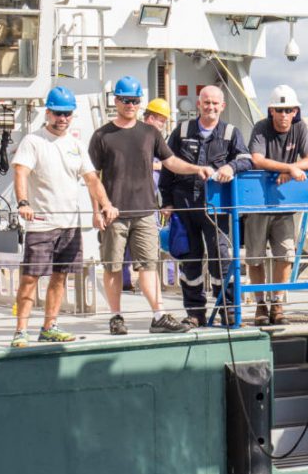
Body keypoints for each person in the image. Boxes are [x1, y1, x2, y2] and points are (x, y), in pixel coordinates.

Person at [88, 75, 213, 335]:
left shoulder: (150, 133)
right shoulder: (102, 136)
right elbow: (92, 177)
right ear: (116, 101)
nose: (130, 105)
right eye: (125, 100)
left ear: (139, 103)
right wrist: (96, 210)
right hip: (114, 213)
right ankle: (115, 317)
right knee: (112, 266)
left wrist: (196, 168)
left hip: (145, 211)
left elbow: (171, 162)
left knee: (149, 265)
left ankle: (158, 315)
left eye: (134, 101)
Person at [10, 87, 119, 347]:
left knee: (60, 277)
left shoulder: (76, 145)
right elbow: (21, 173)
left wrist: (106, 204)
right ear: (47, 112)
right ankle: (20, 330)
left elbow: (92, 179)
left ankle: (50, 326)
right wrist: (23, 203)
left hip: (70, 225)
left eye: (67, 114)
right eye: (58, 113)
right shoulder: (33, 141)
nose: (63, 119)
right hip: (42, 224)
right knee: (29, 278)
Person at [159, 85, 251, 327]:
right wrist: (167, 202)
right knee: (190, 260)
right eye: (206, 102)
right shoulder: (182, 131)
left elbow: (245, 159)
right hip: (185, 205)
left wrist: (231, 167)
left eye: (215, 103)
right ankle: (195, 313)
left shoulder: (231, 133)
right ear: (198, 104)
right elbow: (169, 166)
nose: (210, 107)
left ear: (223, 106)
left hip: (217, 208)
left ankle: (228, 311)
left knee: (222, 258)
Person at [246, 84, 308, 326]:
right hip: (257, 204)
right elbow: (256, 160)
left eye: (289, 110)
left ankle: (277, 304)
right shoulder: (261, 128)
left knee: (285, 255)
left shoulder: (299, 128)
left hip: (284, 205)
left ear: (295, 111)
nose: (285, 115)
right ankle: (260, 306)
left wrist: (293, 168)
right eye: (280, 110)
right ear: (271, 111)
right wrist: (289, 167)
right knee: (254, 257)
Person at [122, 97, 170, 291]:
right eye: (162, 120)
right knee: (138, 242)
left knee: (154, 240)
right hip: (134, 199)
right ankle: (129, 281)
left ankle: (163, 280)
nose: (163, 125)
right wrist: (161, 165)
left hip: (152, 199)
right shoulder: (139, 136)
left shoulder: (154, 139)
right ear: (151, 118)